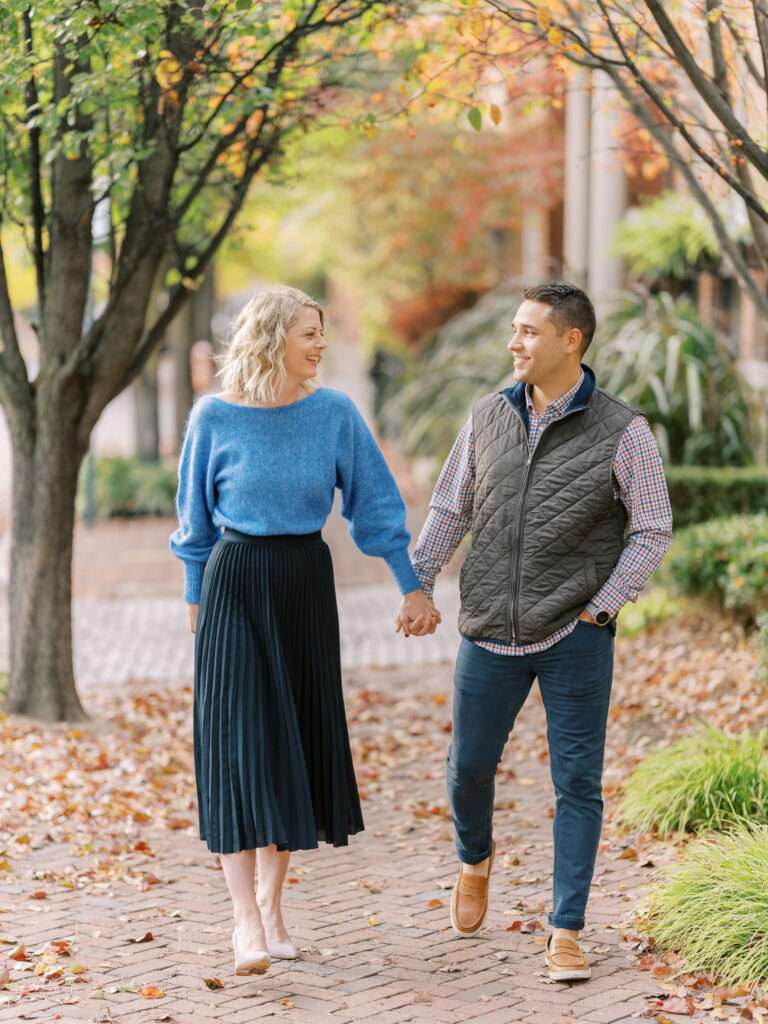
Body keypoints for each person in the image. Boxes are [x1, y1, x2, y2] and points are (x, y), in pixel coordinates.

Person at [401, 281, 672, 982]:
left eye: (527, 331)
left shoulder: (624, 430)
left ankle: (566, 928)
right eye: (515, 330)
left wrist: (602, 609)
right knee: (466, 768)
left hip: (574, 635)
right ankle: (474, 859)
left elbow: (651, 529)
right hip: (489, 629)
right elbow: (449, 508)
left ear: (569, 341)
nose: (514, 342)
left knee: (577, 783)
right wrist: (418, 581)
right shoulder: (487, 415)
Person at [170, 285, 438, 976]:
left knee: (289, 740)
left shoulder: (334, 413)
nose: (320, 345)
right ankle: (244, 921)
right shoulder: (214, 417)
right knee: (237, 746)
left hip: (304, 584)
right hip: (234, 583)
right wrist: (197, 611)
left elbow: (375, 504)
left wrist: (411, 583)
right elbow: (195, 527)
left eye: (320, 332)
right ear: (271, 339)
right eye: (309, 334)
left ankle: (273, 904)